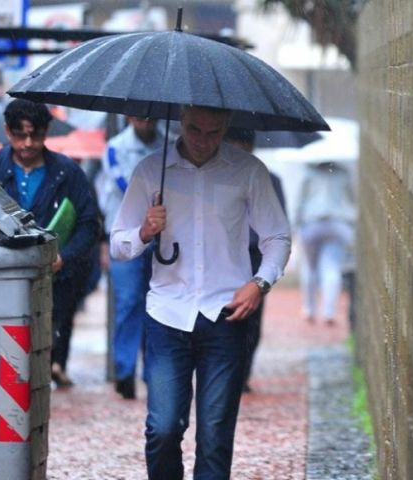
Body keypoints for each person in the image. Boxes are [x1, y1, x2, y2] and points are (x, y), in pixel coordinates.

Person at [110, 106, 291, 479]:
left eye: (212, 132)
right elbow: (119, 245)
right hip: (167, 314)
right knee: (163, 428)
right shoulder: (150, 170)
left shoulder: (248, 171)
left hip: (225, 315)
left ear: (225, 127)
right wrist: (144, 231)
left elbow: (277, 237)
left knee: (215, 434)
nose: (202, 140)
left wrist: (260, 283)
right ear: (181, 123)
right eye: (195, 129)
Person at [0, 99, 100, 388]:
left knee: (45, 344)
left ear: (47, 132)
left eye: (36, 135)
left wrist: (64, 257)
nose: (28, 143)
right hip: (0, 279)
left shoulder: (67, 173)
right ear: (8, 132)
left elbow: (88, 224)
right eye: (21, 135)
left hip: (55, 279)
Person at [95, 116, 164, 399]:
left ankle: (153, 371)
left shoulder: (169, 144)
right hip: (127, 234)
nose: (145, 121)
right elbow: (125, 184)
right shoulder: (115, 147)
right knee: (127, 302)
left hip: (161, 238)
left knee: (157, 304)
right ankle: (125, 371)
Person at [222, 127, 287, 393]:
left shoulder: (270, 180)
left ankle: (243, 372)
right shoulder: (218, 178)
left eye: (244, 143)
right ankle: (224, 370)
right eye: (234, 142)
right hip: (225, 253)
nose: (239, 149)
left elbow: (280, 226)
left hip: (255, 253)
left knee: (252, 316)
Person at [295, 160, 357, 325]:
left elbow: (299, 202)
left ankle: (309, 309)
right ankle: (329, 312)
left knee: (309, 267)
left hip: (311, 223)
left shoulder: (308, 172)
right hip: (337, 224)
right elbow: (351, 201)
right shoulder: (343, 173)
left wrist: (295, 226)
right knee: (332, 267)